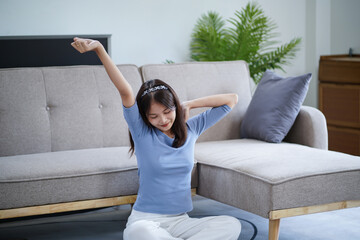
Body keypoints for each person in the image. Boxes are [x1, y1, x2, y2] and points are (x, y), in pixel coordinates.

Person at [71, 37, 241, 240]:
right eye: (153, 116)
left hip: (181, 221)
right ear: (145, 117)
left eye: (168, 111)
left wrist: (189, 104)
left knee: (231, 224)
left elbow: (231, 100)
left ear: (175, 107)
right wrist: (99, 48)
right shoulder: (142, 133)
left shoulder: (191, 129)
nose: (163, 120)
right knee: (139, 232)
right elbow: (125, 91)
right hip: (146, 221)